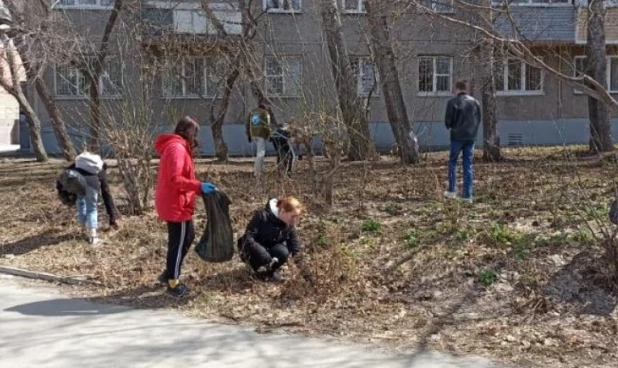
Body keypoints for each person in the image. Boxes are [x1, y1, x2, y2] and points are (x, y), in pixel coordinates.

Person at [154, 116, 217, 298]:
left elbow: (183, 177)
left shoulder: (178, 147)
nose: (195, 138)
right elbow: (175, 179)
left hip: (176, 201)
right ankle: (173, 282)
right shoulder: (177, 149)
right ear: (188, 132)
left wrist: (198, 188)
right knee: (179, 242)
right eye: (194, 133)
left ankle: (168, 273)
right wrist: (198, 186)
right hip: (176, 204)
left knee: (187, 236)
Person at [237, 196, 311, 282]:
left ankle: (270, 272)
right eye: (293, 216)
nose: (295, 220)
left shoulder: (289, 225)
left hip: (270, 252)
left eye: (296, 217)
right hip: (250, 252)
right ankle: (253, 270)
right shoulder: (262, 216)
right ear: (283, 211)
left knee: (283, 251)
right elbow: (248, 238)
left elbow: (296, 250)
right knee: (261, 255)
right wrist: (261, 252)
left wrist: (307, 275)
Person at [58, 152, 119, 245]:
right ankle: (93, 237)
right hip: (92, 185)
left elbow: (63, 175)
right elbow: (106, 193)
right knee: (92, 209)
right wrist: (112, 217)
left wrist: (62, 192)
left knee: (80, 203)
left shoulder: (77, 163)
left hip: (78, 183)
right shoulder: (100, 168)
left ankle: (83, 229)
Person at [444, 80, 481, 203]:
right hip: (470, 136)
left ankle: (452, 190)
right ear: (466, 89)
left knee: (453, 162)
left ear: (457, 89)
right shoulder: (475, 102)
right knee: (468, 164)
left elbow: (448, 122)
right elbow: (478, 119)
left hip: (457, 136)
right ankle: (467, 195)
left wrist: (452, 126)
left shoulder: (452, 102)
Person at [246, 103, 274, 178]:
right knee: (260, 153)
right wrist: (269, 135)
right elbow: (267, 125)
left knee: (259, 152)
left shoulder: (252, 112)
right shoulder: (265, 113)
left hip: (253, 134)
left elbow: (247, 124)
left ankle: (261, 169)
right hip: (261, 134)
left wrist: (248, 134)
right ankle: (257, 172)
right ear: (265, 108)